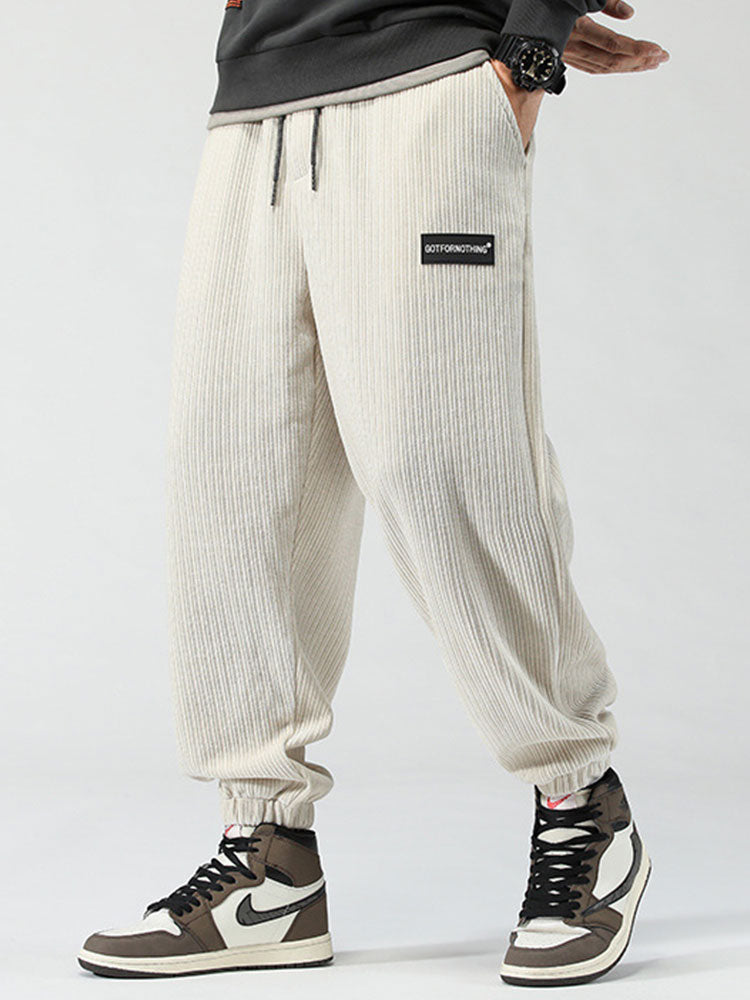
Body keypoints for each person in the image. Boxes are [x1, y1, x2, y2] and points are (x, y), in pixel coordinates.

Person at [79, 0, 668, 986]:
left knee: (441, 461)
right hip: (256, 105)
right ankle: (268, 856)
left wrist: (530, 42)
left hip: (429, 84)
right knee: (238, 478)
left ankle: (581, 802)